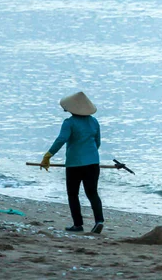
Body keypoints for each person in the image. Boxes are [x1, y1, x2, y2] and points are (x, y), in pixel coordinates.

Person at [40, 91, 104, 234]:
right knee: (92, 192)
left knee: (73, 194)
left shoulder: (69, 123)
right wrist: (90, 155)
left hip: (75, 164)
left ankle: (78, 224)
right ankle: (99, 220)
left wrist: (48, 155)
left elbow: (61, 140)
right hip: (93, 163)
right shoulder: (94, 121)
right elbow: (97, 142)